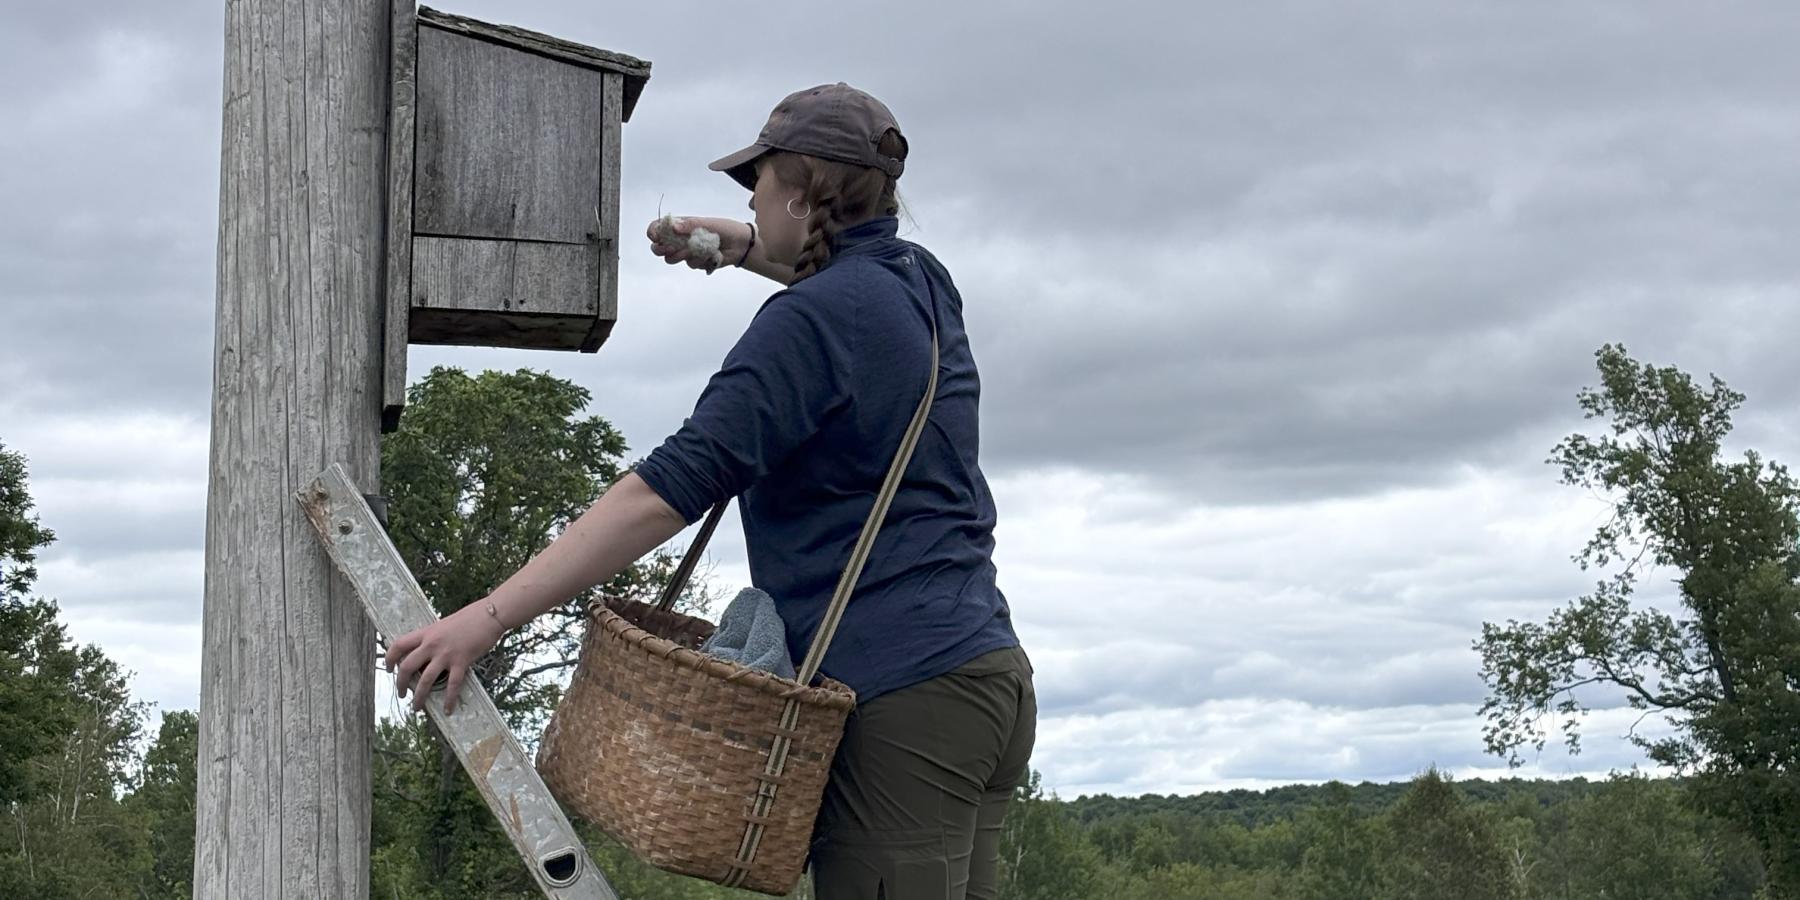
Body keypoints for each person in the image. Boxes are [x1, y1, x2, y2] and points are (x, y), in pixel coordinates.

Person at [384, 82, 1035, 900]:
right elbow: (827, 261)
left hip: (901, 700)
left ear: (798, 192)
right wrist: (725, 243)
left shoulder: (807, 325)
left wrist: (481, 623)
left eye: (756, 183)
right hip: (983, 682)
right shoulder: (920, 282)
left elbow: (663, 492)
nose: (750, 198)